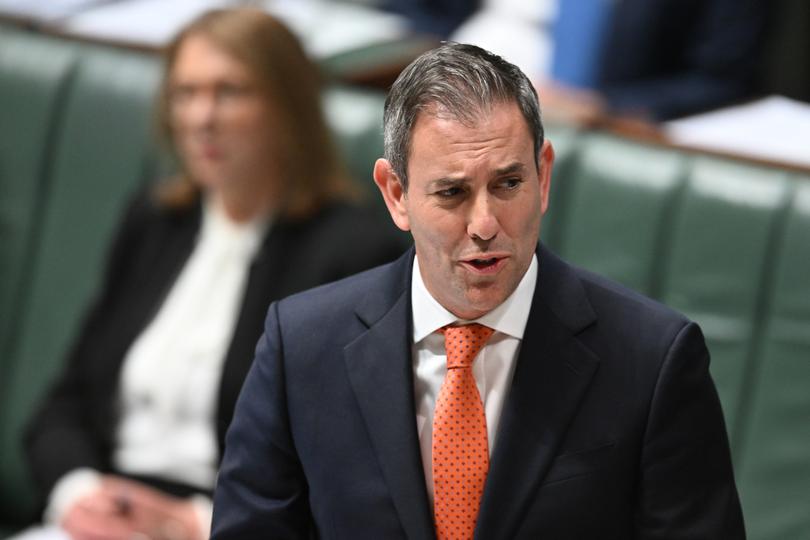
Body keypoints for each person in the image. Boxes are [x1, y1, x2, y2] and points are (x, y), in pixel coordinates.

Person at [210, 43, 744, 538]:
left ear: (544, 176)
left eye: (509, 184)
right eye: (453, 192)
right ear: (396, 194)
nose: (485, 223)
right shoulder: (301, 345)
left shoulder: (653, 360)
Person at [22, 8, 402, 540]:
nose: (202, 117)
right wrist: (79, 495)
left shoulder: (356, 250)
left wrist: (196, 523)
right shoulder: (156, 222)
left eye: (229, 92)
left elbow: (348, 467)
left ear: (288, 108)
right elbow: (66, 404)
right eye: (186, 93)